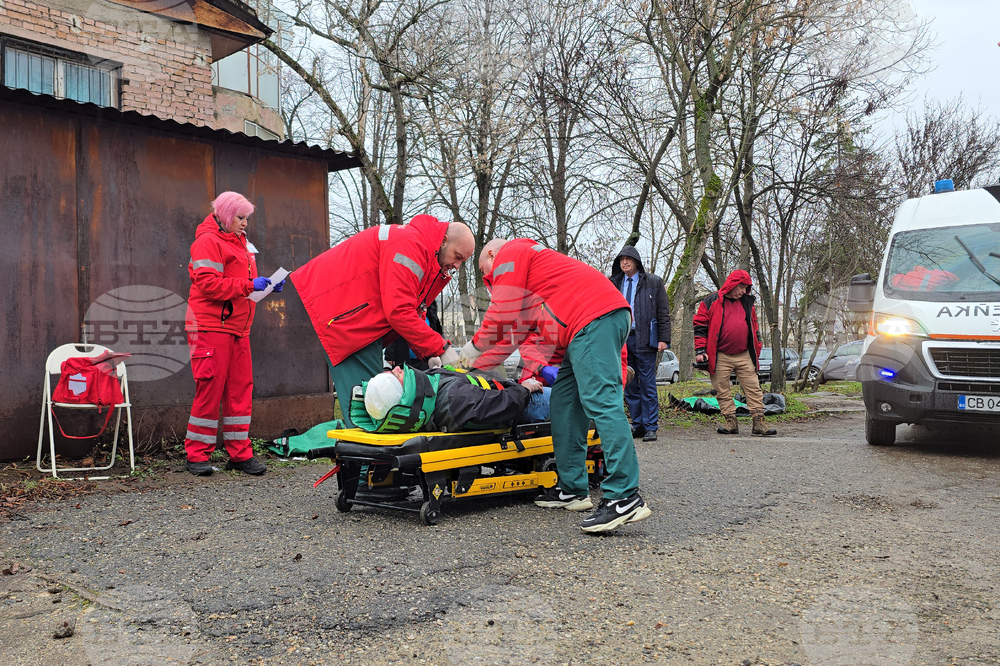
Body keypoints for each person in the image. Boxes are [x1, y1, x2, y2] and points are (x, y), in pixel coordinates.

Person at [459, 239, 651, 533]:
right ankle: (572, 489)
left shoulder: (511, 252)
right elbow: (510, 339)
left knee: (602, 403)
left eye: (487, 273)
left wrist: (473, 345)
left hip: (593, 319)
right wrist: (469, 369)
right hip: (583, 328)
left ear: (492, 254)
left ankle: (624, 496)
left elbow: (501, 312)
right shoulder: (533, 288)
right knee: (565, 406)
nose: (490, 281)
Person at [291, 216, 474, 427]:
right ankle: (360, 450)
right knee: (369, 408)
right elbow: (399, 310)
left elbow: (412, 311)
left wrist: (429, 353)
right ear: (444, 241)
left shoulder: (417, 246)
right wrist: (441, 348)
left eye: (462, 261)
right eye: (457, 257)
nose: (457, 265)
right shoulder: (411, 246)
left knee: (372, 402)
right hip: (347, 318)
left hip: (351, 316)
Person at [183, 191, 283, 476]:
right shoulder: (207, 241)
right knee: (210, 388)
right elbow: (208, 285)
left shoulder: (239, 242)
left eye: (246, 218)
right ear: (226, 215)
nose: (245, 223)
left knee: (240, 390)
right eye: (240, 217)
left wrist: (265, 286)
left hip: (237, 327)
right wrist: (250, 285)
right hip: (210, 325)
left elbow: (239, 283)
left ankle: (240, 454)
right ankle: (196, 455)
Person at [693, 269, 777, 437]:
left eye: (746, 288)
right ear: (732, 285)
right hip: (720, 354)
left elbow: (754, 327)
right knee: (721, 389)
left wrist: (757, 348)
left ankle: (759, 422)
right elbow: (700, 326)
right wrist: (700, 350)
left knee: (754, 388)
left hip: (744, 354)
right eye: (741, 287)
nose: (744, 291)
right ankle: (730, 421)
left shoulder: (747, 303)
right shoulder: (710, 301)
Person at [361, 365, 547, 432]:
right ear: (403, 395)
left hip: (508, 393)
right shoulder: (455, 398)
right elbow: (505, 405)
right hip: (526, 403)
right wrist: (525, 388)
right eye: (396, 376)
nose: (397, 368)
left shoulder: (425, 400)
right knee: (562, 398)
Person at [609, 245, 671, 442]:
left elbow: (663, 312)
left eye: (628, 259)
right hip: (621, 339)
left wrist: (664, 339)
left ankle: (651, 426)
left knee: (647, 383)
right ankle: (638, 425)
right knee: (629, 384)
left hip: (645, 339)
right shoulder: (613, 283)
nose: (625, 262)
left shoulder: (653, 282)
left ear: (636, 261)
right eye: (621, 260)